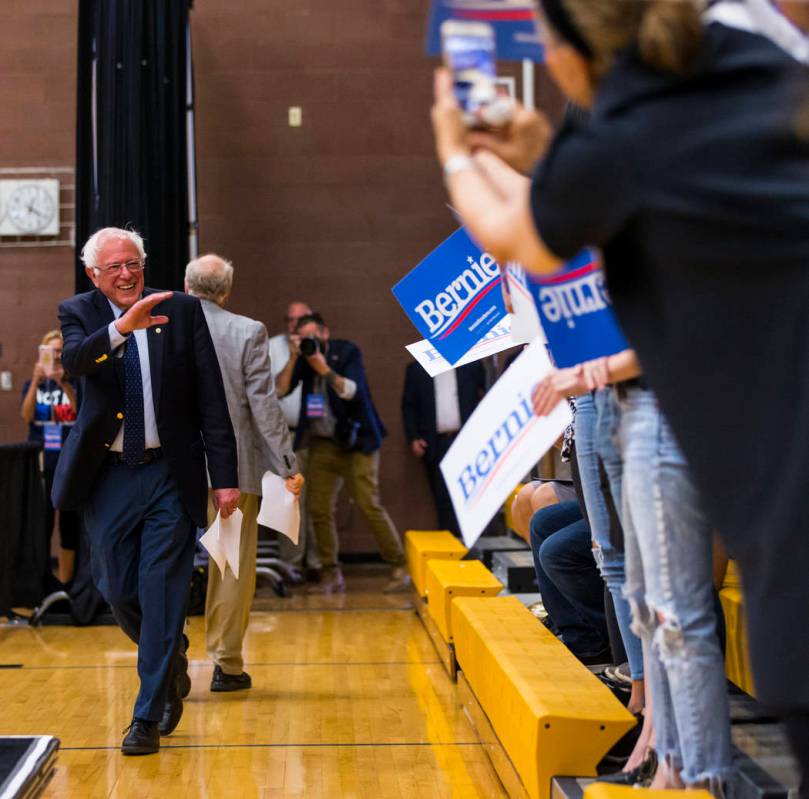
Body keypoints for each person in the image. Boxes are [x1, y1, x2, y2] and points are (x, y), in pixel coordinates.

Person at [431, 0, 809, 788]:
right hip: (740, 423)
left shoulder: (641, 132)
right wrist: (540, 151)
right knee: (646, 593)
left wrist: (455, 146)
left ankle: (699, 768)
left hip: (745, 435)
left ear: (576, 61)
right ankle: (682, 761)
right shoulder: (745, 71)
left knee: (701, 616)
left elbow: (520, 231)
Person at [52, 227, 239, 756]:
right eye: (114, 268)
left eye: (133, 263)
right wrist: (119, 329)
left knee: (160, 590)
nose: (128, 274)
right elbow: (75, 362)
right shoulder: (79, 312)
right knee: (116, 589)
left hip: (168, 475)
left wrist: (224, 477)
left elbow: (211, 398)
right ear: (94, 275)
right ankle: (171, 659)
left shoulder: (181, 310)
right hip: (108, 475)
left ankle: (147, 715)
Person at [185, 254, 304, 692]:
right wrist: (287, 464)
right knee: (230, 564)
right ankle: (226, 664)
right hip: (230, 469)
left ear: (186, 287)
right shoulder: (247, 331)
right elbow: (263, 405)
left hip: (168, 468)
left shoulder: (160, 325)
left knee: (165, 563)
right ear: (227, 291)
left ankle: (168, 657)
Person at [275, 313, 408, 594]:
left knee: (368, 503)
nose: (311, 342)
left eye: (314, 335)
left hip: (358, 442)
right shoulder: (302, 359)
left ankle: (398, 564)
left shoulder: (346, 352)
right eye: (305, 338)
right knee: (318, 510)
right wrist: (293, 357)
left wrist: (322, 367)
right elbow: (280, 389)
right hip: (323, 443)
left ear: (325, 332)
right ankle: (331, 571)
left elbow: (351, 391)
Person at [20, 330, 80, 584]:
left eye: (59, 351)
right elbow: (26, 415)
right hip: (41, 461)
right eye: (50, 351)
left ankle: (67, 583)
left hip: (68, 462)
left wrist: (63, 383)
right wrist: (35, 382)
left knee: (69, 525)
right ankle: (40, 582)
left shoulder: (75, 382)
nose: (55, 356)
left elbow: (80, 414)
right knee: (40, 524)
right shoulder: (32, 383)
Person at [268, 300, 323, 580]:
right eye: (291, 320)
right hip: (285, 436)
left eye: (301, 320)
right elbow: (276, 390)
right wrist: (293, 356)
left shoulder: (319, 346)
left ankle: (315, 561)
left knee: (316, 501)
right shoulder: (272, 346)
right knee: (289, 500)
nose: (295, 325)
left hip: (318, 434)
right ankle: (292, 563)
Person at [401, 360, 486, 537]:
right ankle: (450, 545)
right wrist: (414, 437)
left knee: (471, 498)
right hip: (436, 443)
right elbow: (408, 405)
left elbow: (487, 394)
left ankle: (473, 544)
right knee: (443, 499)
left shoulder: (471, 365)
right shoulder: (417, 368)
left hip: (467, 441)